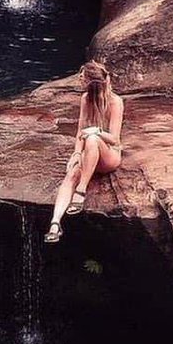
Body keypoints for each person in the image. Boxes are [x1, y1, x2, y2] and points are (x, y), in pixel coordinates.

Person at [45, 60, 123, 243]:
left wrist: (96, 131)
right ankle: (55, 224)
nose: (79, 82)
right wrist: (77, 154)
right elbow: (80, 130)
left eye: (82, 79)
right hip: (89, 151)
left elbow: (115, 139)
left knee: (93, 138)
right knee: (72, 172)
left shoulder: (115, 102)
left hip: (109, 154)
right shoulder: (85, 99)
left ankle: (81, 190)